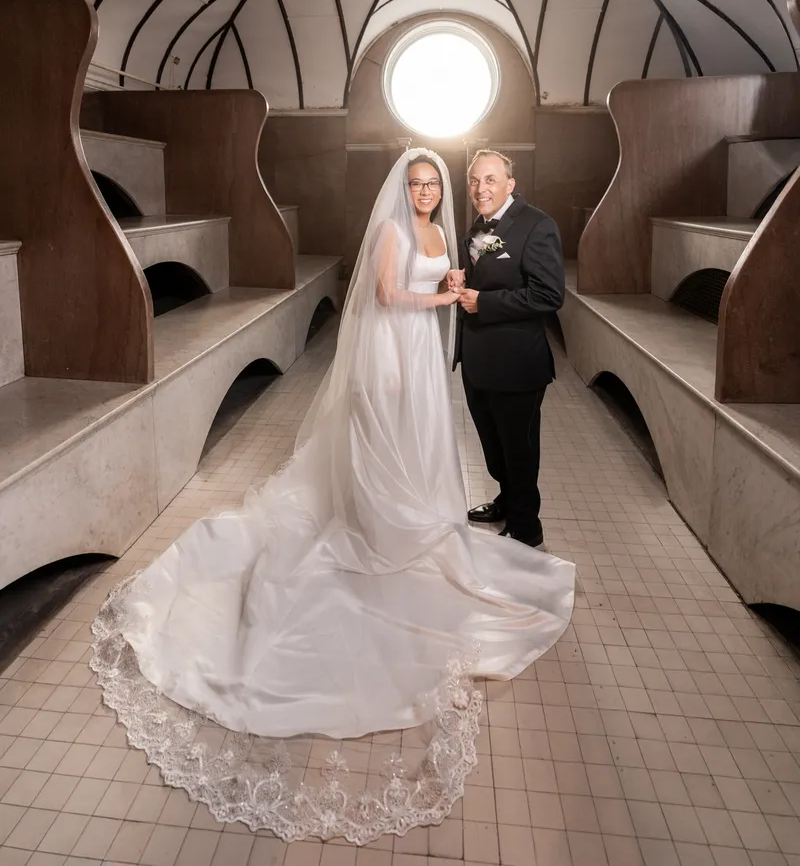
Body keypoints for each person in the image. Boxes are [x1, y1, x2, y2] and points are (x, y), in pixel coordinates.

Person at [91, 148, 574, 845]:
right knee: (387, 450)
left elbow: (526, 288)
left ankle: (482, 520)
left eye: (448, 182)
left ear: (499, 184)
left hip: (448, 358)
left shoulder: (471, 229)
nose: (438, 190)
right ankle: (384, 528)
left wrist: (464, 294)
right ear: (405, 188)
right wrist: (448, 297)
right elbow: (386, 294)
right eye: (424, 183)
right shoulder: (394, 232)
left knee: (466, 451)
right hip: (393, 353)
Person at [449, 150, 564, 549]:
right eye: (476, 181)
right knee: (494, 447)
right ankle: (505, 499)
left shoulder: (537, 225)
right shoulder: (477, 229)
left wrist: (486, 302)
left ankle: (526, 528)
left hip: (517, 364)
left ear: (510, 184)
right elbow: (485, 274)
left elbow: (549, 295)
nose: (482, 189)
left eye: (491, 180)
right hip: (478, 362)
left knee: (518, 450)